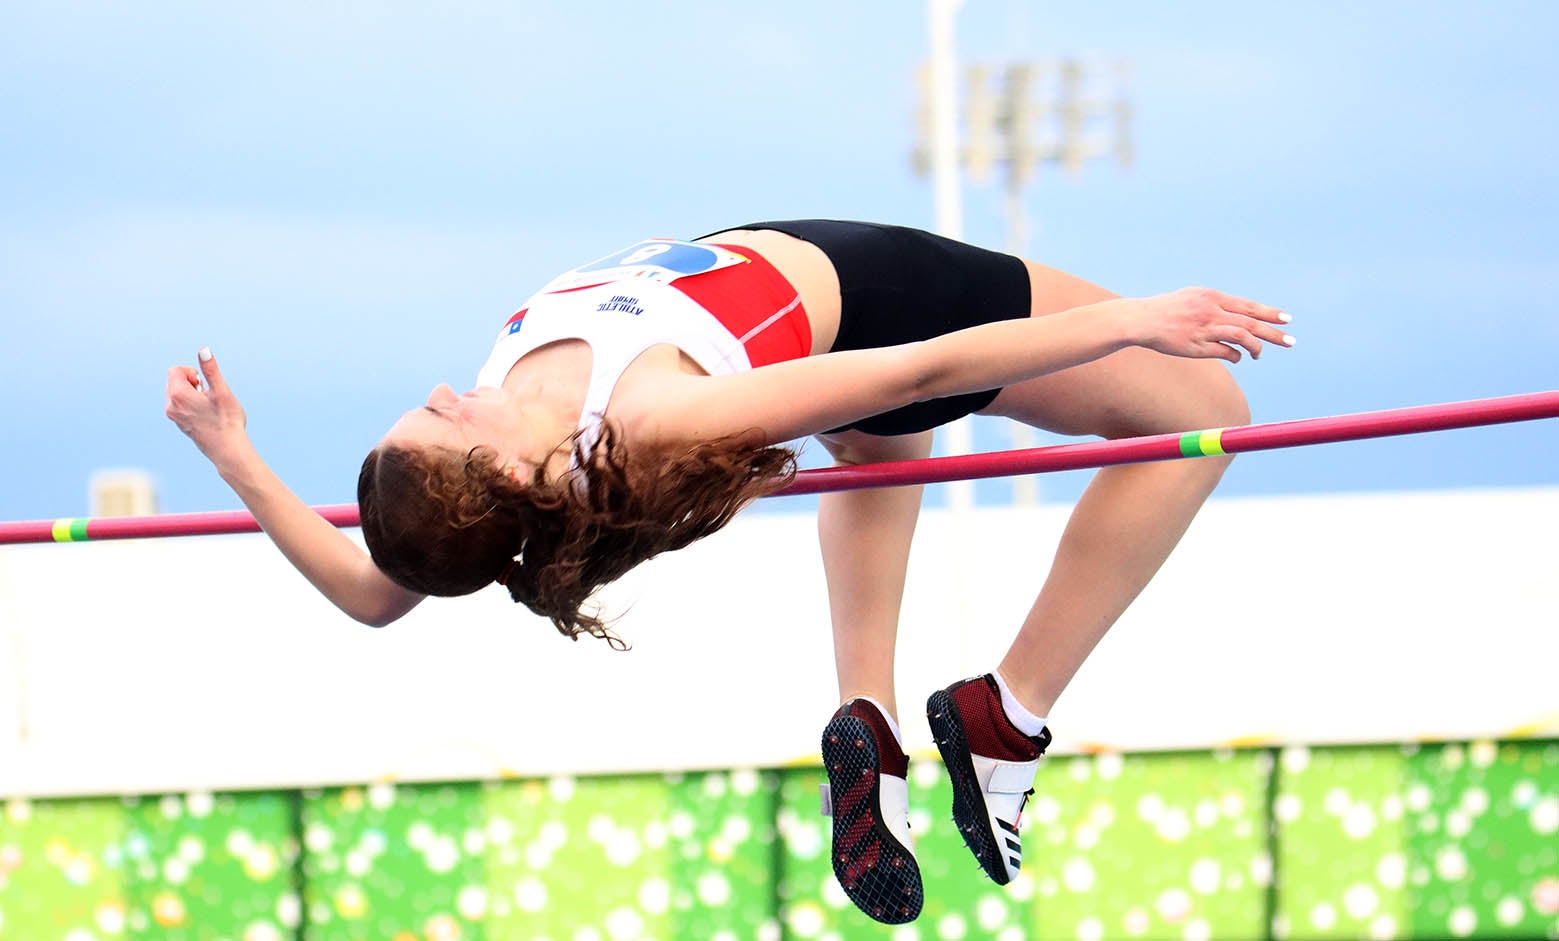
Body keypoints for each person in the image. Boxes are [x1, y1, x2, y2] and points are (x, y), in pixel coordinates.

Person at [165, 220, 1292, 924]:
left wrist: (235, 454)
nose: (448, 391)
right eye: (442, 419)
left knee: (878, 441)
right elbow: (931, 359)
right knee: (1205, 417)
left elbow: (372, 589)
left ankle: (871, 716)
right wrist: (1132, 319)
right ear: (506, 473)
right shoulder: (657, 411)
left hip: (823, 318)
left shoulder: (503, 470)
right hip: (891, 294)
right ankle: (1011, 709)